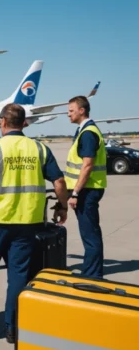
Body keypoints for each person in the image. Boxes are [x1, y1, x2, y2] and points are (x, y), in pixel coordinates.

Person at [0, 103, 69, 344]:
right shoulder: (39, 148)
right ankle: (13, 326)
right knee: (19, 274)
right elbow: (59, 182)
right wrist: (62, 206)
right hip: (27, 223)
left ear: (2, 122)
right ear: (24, 123)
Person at [65, 95, 107, 278]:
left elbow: (87, 165)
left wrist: (75, 192)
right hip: (87, 189)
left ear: (82, 111)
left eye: (71, 111)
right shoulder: (85, 130)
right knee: (89, 232)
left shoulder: (88, 133)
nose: (68, 114)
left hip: (87, 190)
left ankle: (92, 274)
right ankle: (92, 270)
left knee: (90, 234)